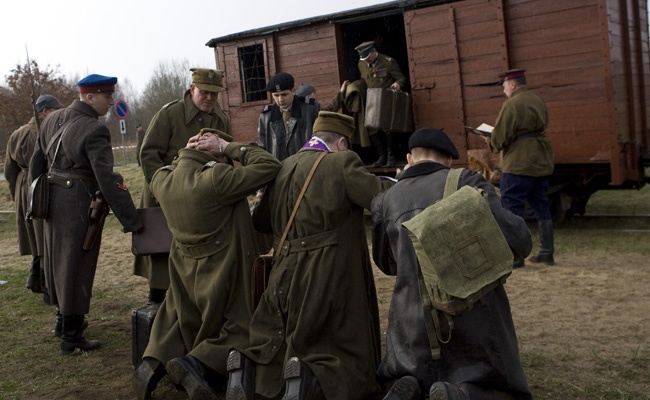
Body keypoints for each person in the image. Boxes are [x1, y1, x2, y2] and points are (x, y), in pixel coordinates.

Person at [226, 111, 394, 400]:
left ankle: (245, 367)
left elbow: (262, 222)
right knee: (331, 343)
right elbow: (381, 200)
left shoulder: (285, 165)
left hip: (284, 268)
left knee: (282, 334)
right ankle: (309, 379)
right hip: (328, 270)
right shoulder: (342, 162)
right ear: (341, 142)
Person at [371, 128, 533, 400]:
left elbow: (388, 264)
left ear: (410, 158)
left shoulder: (386, 199)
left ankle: (409, 385)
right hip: (469, 316)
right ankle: (464, 393)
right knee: (493, 382)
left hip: (411, 325)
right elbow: (518, 240)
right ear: (447, 161)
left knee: (411, 371)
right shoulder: (466, 181)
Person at [133, 129, 281, 400]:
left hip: (184, 271)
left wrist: (184, 154)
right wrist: (230, 146)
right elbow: (270, 165)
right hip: (223, 269)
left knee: (175, 319)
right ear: (215, 156)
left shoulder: (163, 180)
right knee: (242, 326)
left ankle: (152, 361)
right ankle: (196, 364)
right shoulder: (217, 179)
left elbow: (169, 168)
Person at [29, 74, 142, 355]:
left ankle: (61, 322)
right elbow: (107, 178)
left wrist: (39, 201)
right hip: (79, 203)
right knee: (77, 266)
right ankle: (72, 337)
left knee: (59, 263)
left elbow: (37, 162)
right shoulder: (95, 130)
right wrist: (132, 220)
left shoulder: (52, 121)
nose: (111, 101)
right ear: (90, 97)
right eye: (106, 95)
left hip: (54, 201)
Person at [136, 68, 232, 305]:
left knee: (197, 259)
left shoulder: (221, 119)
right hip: (164, 196)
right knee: (162, 259)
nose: (209, 98)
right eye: (204, 92)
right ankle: (155, 308)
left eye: (214, 93)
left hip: (202, 201)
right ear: (192, 90)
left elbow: (227, 157)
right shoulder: (170, 114)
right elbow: (148, 154)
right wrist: (162, 187)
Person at [487, 69, 555, 268]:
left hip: (518, 163)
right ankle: (547, 252)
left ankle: (516, 256)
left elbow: (499, 138)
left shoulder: (511, 104)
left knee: (512, 208)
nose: (504, 90)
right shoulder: (537, 100)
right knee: (541, 205)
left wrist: (489, 141)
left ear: (513, 85)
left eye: (504, 86)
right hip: (540, 160)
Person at [5, 94, 63, 294]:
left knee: (37, 237)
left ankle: (36, 277)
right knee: (42, 237)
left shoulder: (17, 133)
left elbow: (9, 171)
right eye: (55, 110)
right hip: (37, 186)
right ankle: (46, 285)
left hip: (23, 185)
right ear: (45, 112)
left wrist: (17, 194)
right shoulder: (36, 133)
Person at [355, 40, 407, 167]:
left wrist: (397, 84)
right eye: (363, 58)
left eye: (367, 57)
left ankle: (391, 155)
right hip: (370, 100)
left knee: (387, 128)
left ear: (373, 51)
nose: (366, 61)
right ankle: (381, 155)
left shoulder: (388, 61)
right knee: (371, 129)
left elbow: (401, 78)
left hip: (385, 100)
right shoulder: (361, 64)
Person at [257, 72, 321, 161]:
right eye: (276, 95)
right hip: (279, 169)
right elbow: (262, 147)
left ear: (293, 91)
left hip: (305, 166)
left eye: (284, 94)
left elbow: (320, 140)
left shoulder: (310, 109)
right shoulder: (266, 116)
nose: (280, 99)